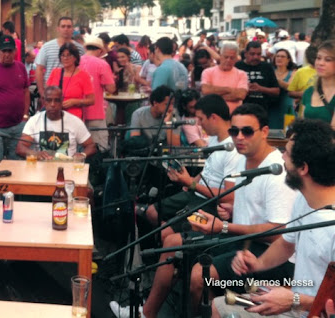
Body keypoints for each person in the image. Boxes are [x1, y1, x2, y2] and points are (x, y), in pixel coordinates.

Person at [111, 104, 296, 318]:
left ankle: (200, 312)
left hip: (264, 249)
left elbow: (279, 232)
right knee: (170, 242)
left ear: (264, 132)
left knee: (199, 274)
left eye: (247, 131)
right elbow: (244, 200)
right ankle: (147, 313)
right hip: (236, 235)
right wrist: (232, 209)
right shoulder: (244, 158)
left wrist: (224, 225)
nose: (239, 137)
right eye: (234, 131)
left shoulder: (275, 172)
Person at [213, 118, 335, 317]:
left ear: (303, 168)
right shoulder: (304, 198)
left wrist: (294, 300)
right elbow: (287, 243)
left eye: (286, 152)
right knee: (219, 306)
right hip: (298, 304)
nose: (281, 157)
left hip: (307, 309)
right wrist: (258, 264)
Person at [144, 93, 240, 230]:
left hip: (209, 202)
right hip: (195, 192)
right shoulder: (214, 138)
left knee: (167, 236)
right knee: (152, 212)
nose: (199, 124)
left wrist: (191, 183)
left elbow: (229, 197)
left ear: (213, 117)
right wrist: (192, 180)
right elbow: (209, 168)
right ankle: (170, 235)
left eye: (201, 119)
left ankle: (173, 237)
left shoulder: (232, 150)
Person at [16, 86, 97, 160]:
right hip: (40, 170)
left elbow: (91, 146)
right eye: (49, 100)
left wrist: (83, 154)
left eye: (57, 100)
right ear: (44, 101)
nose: (52, 104)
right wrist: (35, 154)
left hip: (67, 169)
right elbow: (20, 147)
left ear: (62, 101)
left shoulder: (74, 121)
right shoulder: (34, 121)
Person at [35, 17, 85, 103]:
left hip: (73, 95)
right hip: (51, 94)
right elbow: (39, 69)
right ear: (58, 28)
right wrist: (41, 91)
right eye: (63, 26)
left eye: (69, 27)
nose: (66, 29)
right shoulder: (47, 47)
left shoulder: (80, 49)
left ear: (73, 29)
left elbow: (82, 69)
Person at [80, 36, 116, 151]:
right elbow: (111, 88)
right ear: (100, 50)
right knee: (99, 147)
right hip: (96, 112)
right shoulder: (102, 64)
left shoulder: (76, 62)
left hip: (77, 112)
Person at [46, 42, 94, 119]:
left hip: (74, 117)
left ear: (75, 57)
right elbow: (46, 94)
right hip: (55, 115)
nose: (65, 58)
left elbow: (91, 100)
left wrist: (75, 102)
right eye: (63, 55)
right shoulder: (55, 72)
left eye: (69, 55)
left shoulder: (84, 76)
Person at [201, 41, 248, 113]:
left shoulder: (241, 74)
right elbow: (206, 90)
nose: (228, 60)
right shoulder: (208, 72)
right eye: (226, 57)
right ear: (221, 55)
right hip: (213, 116)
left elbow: (241, 95)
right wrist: (229, 89)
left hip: (234, 116)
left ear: (236, 58)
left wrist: (214, 96)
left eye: (232, 58)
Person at [235, 40, 280, 109]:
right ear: (245, 54)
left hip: (261, 109)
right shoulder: (238, 66)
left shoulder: (267, 67)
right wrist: (244, 89)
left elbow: (276, 91)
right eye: (252, 54)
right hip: (241, 108)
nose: (255, 57)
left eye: (258, 54)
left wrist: (261, 89)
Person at [301, 40, 335, 126]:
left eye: (328, 60)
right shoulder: (309, 92)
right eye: (318, 58)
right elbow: (300, 127)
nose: (320, 63)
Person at [269, 48, 296, 129]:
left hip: (286, 106)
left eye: (283, 56)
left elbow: (290, 86)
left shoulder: (293, 72)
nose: (279, 58)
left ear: (288, 60)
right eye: (277, 56)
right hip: (271, 107)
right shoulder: (270, 71)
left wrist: (276, 80)